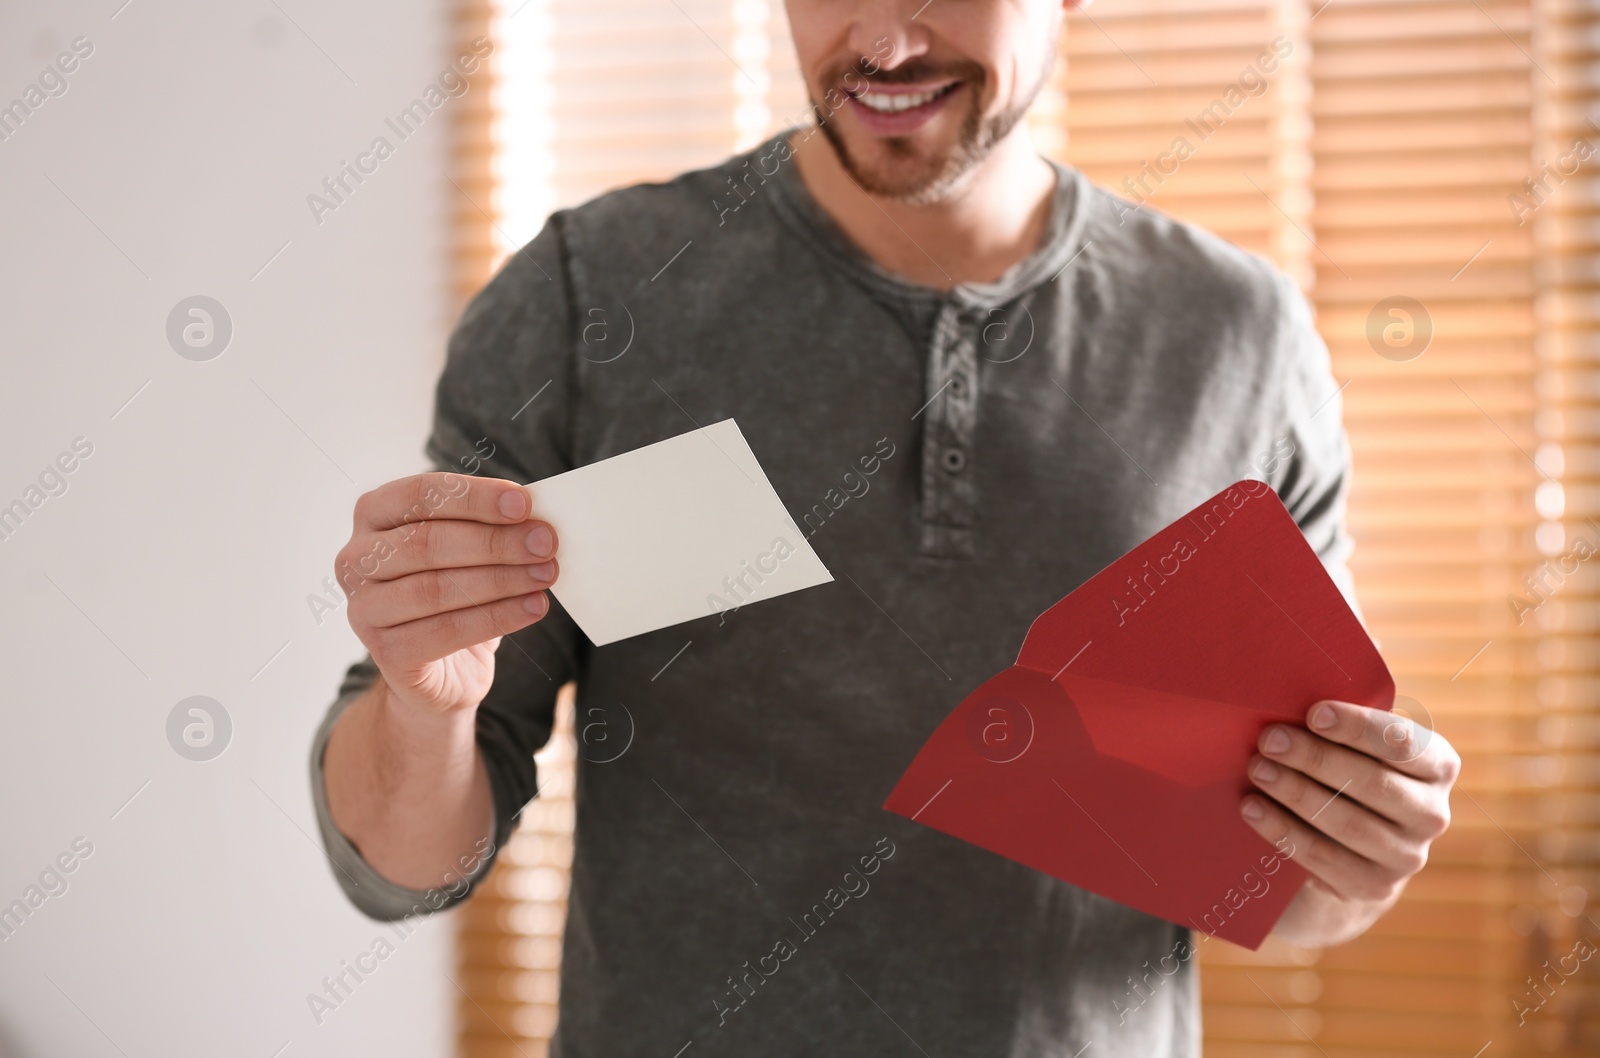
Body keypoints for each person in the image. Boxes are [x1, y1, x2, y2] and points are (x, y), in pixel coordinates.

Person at [312, 1, 1460, 1054]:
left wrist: (1359, 855)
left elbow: (1295, 884)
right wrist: (424, 702)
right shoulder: (587, 299)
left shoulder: (1237, 340)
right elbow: (405, 870)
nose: (885, 45)